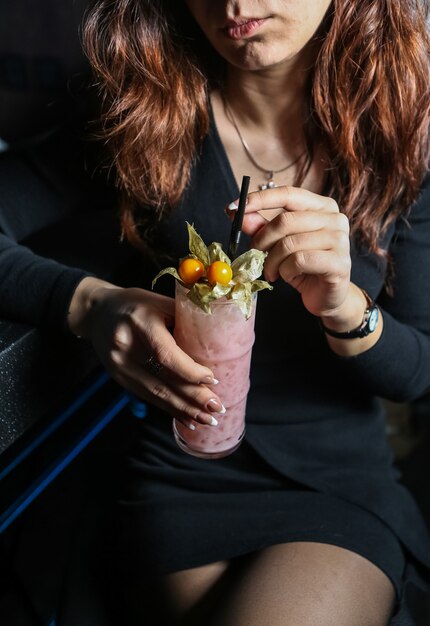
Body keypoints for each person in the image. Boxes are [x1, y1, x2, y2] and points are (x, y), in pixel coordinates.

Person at [2, 1, 430, 624]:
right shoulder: (143, 118)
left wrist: (345, 308)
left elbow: (417, 370)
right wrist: (90, 303)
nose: (232, 5)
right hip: (174, 478)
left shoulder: (403, 133)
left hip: (334, 485)